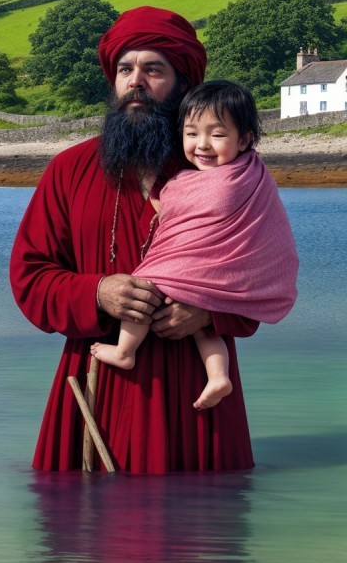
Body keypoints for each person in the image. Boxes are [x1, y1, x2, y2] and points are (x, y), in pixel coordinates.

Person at [9, 6, 260, 473]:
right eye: (125, 69)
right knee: (83, 537)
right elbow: (30, 276)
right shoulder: (69, 169)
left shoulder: (226, 176)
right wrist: (97, 291)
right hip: (95, 380)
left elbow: (260, 275)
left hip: (195, 392)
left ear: (183, 82)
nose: (136, 82)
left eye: (153, 69)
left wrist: (208, 309)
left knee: (200, 535)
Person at [91, 80, 298, 411]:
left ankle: (124, 351)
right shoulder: (255, 174)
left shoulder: (231, 182)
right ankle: (218, 376)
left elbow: (188, 208)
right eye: (191, 134)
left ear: (244, 139)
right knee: (206, 328)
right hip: (214, 279)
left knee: (144, 288)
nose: (203, 145)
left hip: (191, 268)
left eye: (217, 135)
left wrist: (166, 192)